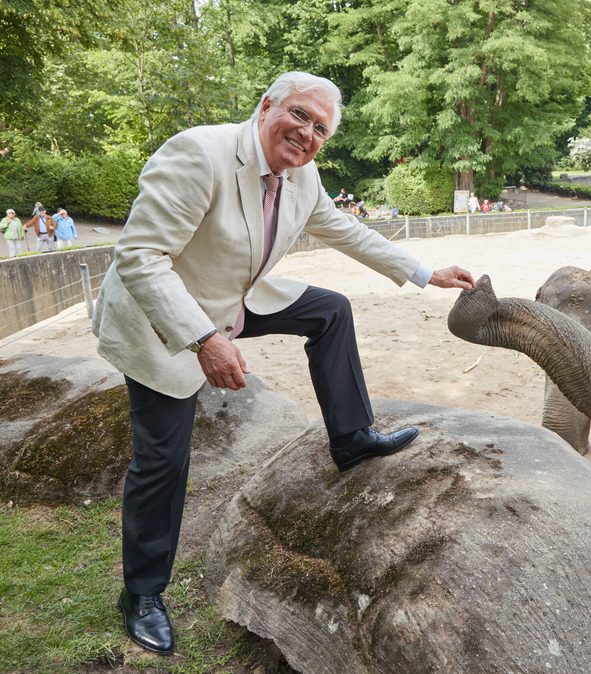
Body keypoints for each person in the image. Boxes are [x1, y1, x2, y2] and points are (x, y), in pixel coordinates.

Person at [91, 71, 475, 656]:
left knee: (329, 311)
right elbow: (140, 258)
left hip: (231, 299)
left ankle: (351, 438)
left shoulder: (303, 175)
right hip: (161, 317)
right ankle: (141, 594)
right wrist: (203, 340)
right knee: (163, 460)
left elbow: (343, 227)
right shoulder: (199, 154)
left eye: (320, 128)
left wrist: (424, 272)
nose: (307, 133)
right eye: (298, 115)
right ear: (266, 105)